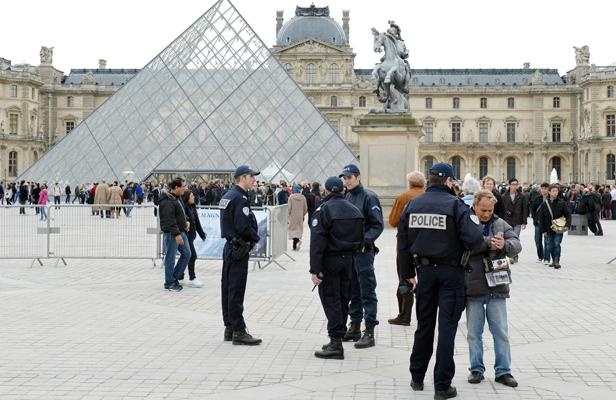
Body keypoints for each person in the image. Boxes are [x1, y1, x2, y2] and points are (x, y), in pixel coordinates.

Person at [397, 162, 484, 400]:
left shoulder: (413, 204)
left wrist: (407, 274)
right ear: (447, 181)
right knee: (447, 328)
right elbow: (475, 239)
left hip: (424, 273)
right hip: (451, 273)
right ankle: (442, 385)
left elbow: (402, 242)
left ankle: (417, 377)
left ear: (430, 180)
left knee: (424, 326)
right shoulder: (455, 205)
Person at [465, 189, 521, 388]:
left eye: (490, 210)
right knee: (473, 332)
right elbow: (466, 245)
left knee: (501, 332)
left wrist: (505, 245)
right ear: (474, 206)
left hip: (497, 285)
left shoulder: (500, 223)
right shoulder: (466, 223)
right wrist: (490, 243)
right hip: (473, 285)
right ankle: (476, 369)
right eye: (483, 210)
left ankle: (503, 371)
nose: (487, 214)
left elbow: (517, 244)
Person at [309, 176, 364, 359]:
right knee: (342, 299)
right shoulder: (355, 210)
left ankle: (335, 343)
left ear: (326, 191)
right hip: (349, 261)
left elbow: (317, 242)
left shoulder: (323, 210)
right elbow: (361, 239)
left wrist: (315, 269)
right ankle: (338, 337)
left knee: (331, 300)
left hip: (330, 261)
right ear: (343, 190)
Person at [340, 164, 384, 349]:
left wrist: (363, 241)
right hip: (350, 252)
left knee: (366, 290)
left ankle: (370, 331)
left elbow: (377, 225)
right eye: (344, 178)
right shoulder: (347, 196)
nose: (346, 181)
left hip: (364, 252)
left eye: (349, 177)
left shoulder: (369, 197)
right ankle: (355, 325)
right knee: (353, 290)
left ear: (358, 177)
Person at [219, 165, 262, 346]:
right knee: (236, 289)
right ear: (242, 178)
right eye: (251, 177)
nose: (254, 180)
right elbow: (243, 226)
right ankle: (238, 330)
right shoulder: (240, 198)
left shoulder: (228, 196)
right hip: (239, 249)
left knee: (227, 288)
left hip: (230, 247)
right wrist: (256, 237)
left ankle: (229, 327)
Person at [387, 171, 425, 326]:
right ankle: (424, 315)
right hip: (425, 243)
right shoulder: (428, 196)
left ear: (409, 183)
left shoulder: (403, 197)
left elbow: (393, 221)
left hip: (405, 243)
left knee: (405, 279)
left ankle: (404, 315)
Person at [159, 177, 191, 291]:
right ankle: (169, 283)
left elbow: (180, 213)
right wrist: (177, 234)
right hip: (172, 234)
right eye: (183, 186)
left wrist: (186, 221)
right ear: (176, 187)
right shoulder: (167, 201)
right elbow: (169, 220)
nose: (185, 189)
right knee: (170, 258)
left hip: (180, 231)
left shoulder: (176, 197)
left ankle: (174, 277)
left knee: (187, 254)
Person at [539, 184, 571, 269]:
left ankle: (557, 261)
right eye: (553, 191)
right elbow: (541, 218)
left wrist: (567, 225)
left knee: (557, 244)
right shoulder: (544, 204)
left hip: (558, 228)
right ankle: (553, 260)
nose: (555, 192)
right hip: (548, 228)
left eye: (556, 191)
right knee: (550, 245)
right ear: (549, 192)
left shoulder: (562, 203)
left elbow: (568, 214)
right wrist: (543, 230)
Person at [179, 190, 206, 288]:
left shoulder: (192, 207)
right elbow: (183, 221)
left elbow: (197, 222)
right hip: (186, 236)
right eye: (191, 196)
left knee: (186, 256)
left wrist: (202, 234)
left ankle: (180, 276)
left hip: (191, 237)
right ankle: (192, 277)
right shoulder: (184, 208)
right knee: (192, 255)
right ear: (187, 198)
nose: (194, 197)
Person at [500, 178, 527, 263]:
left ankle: (513, 256)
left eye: (516, 184)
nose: (515, 186)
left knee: (516, 238)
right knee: (510, 238)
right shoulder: (504, 196)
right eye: (513, 184)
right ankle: (513, 255)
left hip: (518, 220)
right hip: (507, 220)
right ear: (510, 185)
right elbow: (502, 209)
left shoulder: (522, 196)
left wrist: (524, 222)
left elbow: (525, 209)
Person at [530, 183, 550, 264]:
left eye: (545, 188)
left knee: (547, 241)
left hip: (548, 223)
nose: (544, 190)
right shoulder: (537, 198)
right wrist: (534, 219)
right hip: (538, 223)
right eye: (542, 188)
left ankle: (546, 258)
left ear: (548, 190)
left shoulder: (551, 199)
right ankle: (540, 256)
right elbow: (533, 209)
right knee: (538, 241)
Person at [288, 184, 308, 251]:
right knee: (298, 230)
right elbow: (305, 208)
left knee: (292, 230)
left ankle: (296, 243)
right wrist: (303, 214)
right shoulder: (303, 197)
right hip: (300, 216)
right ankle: (295, 245)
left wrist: (288, 214)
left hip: (293, 216)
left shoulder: (291, 197)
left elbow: (289, 208)